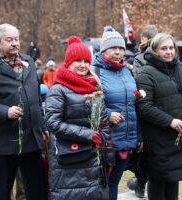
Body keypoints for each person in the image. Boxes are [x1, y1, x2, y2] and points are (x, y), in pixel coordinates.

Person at [0, 23, 47, 200]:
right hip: (4, 141)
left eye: (16, 39)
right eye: (9, 40)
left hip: (31, 139)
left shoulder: (28, 61)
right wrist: (4, 111)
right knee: (4, 190)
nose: (15, 43)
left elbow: (36, 97)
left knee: (36, 189)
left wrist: (43, 127)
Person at [45, 36, 113, 200]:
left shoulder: (94, 88)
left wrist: (109, 156)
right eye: (78, 61)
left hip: (94, 161)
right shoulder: (58, 90)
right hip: (69, 160)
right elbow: (53, 123)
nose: (83, 65)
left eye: (86, 61)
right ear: (68, 63)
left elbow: (103, 124)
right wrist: (87, 134)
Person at [135, 33, 182, 200]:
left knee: (174, 177)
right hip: (158, 138)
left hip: (179, 136)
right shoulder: (145, 73)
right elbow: (144, 106)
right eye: (164, 48)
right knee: (158, 179)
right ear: (155, 50)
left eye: (171, 48)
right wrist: (169, 121)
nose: (169, 52)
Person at [91, 26, 142, 200]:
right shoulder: (94, 71)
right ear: (104, 50)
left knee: (113, 182)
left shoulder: (127, 71)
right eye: (114, 48)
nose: (119, 52)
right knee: (102, 183)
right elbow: (85, 103)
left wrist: (139, 136)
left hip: (126, 139)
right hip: (106, 139)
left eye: (121, 48)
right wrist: (107, 114)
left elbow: (135, 106)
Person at [126, 24, 158, 198]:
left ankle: (140, 182)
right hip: (160, 107)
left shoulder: (140, 58)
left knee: (142, 149)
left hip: (145, 105)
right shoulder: (164, 55)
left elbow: (138, 81)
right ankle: (142, 182)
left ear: (144, 39)